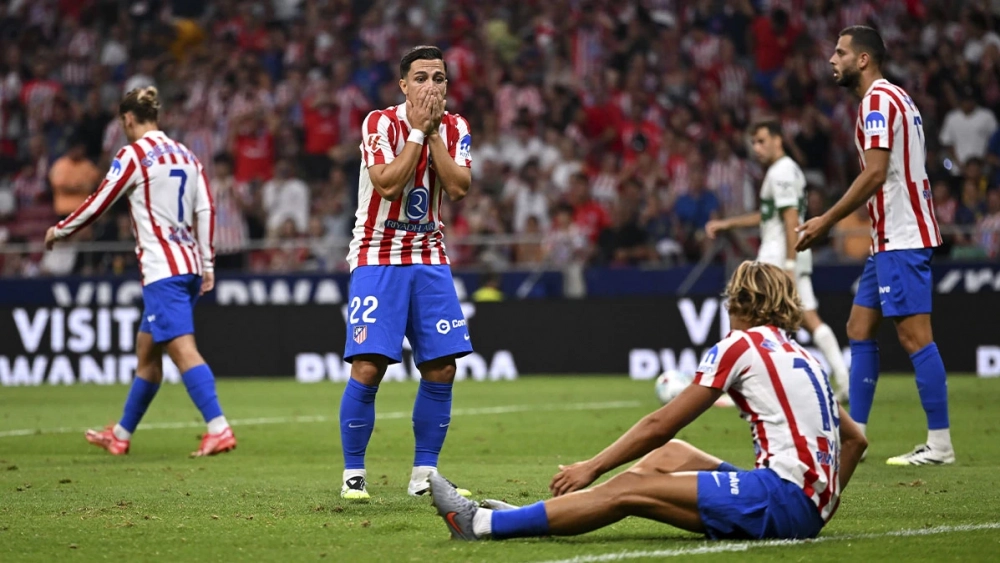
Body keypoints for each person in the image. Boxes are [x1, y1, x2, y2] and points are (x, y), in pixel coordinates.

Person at [428, 261, 867, 541]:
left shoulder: (739, 345)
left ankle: (481, 525)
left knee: (628, 488)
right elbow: (856, 442)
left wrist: (592, 467)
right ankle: (542, 515)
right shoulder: (803, 356)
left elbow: (661, 423)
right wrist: (821, 508)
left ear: (738, 302)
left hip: (782, 499)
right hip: (804, 502)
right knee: (671, 456)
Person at [44, 87, 235, 458]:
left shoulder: (134, 155)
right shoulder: (187, 155)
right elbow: (207, 209)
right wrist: (208, 263)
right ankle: (120, 434)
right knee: (147, 355)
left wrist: (62, 229)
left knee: (183, 351)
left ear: (128, 119)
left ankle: (218, 427)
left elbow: (101, 200)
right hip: (189, 266)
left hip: (163, 270)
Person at [796, 26, 952, 466]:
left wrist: (827, 220)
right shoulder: (897, 97)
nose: (833, 60)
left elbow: (876, 173)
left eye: (841, 53)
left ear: (863, 60)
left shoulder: (878, 102)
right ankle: (855, 438)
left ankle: (940, 445)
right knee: (858, 327)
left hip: (902, 237)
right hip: (887, 239)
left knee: (914, 336)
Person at [339, 46, 474, 500]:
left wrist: (432, 132)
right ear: (403, 85)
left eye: (439, 78)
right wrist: (417, 132)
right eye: (421, 78)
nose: (430, 87)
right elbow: (388, 183)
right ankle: (354, 474)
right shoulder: (378, 122)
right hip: (377, 255)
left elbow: (457, 187)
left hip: (430, 257)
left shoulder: (456, 127)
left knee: (441, 368)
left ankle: (424, 475)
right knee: (369, 364)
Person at [706, 121, 850, 403]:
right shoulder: (782, 170)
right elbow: (768, 215)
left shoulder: (782, 170)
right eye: (754, 143)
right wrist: (728, 223)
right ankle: (844, 382)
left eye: (761, 141)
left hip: (778, 257)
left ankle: (729, 386)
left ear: (778, 140)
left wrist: (789, 265)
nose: (756, 148)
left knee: (742, 312)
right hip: (791, 253)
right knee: (809, 319)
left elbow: (790, 219)